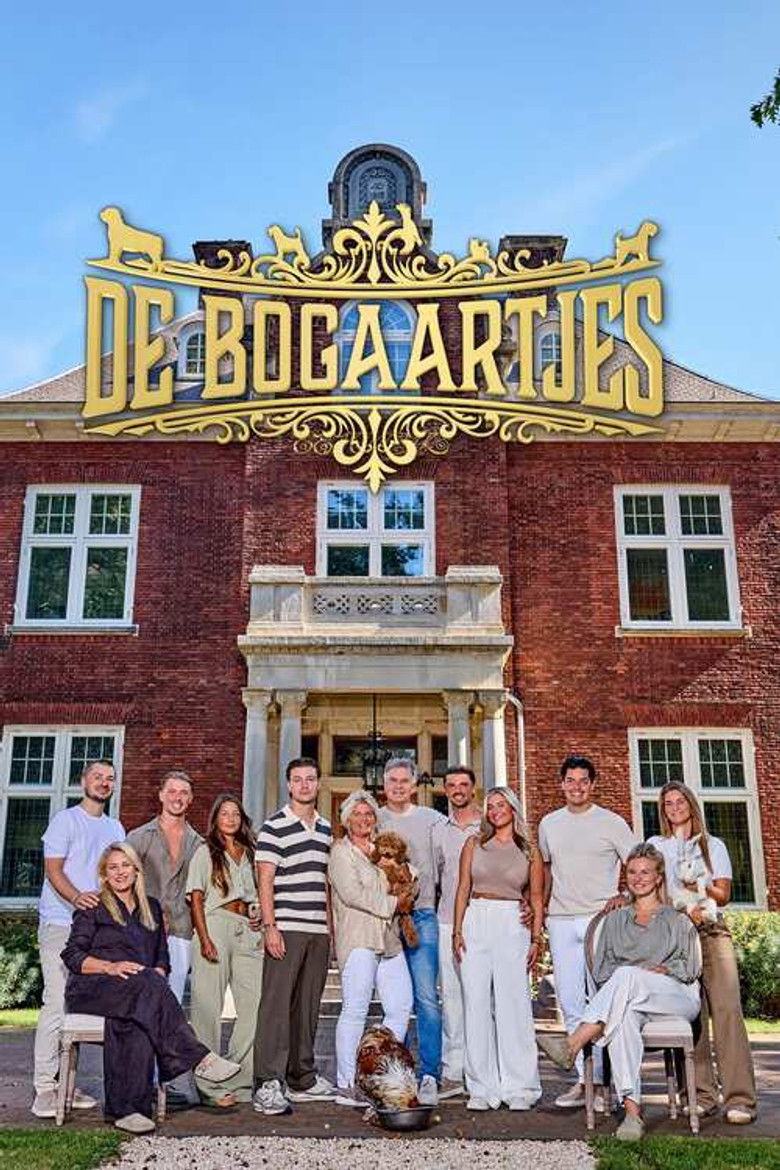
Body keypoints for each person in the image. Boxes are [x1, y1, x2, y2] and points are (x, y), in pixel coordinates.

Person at [61, 842, 242, 1134]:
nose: (120, 872)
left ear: (137, 870)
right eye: (113, 867)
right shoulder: (93, 906)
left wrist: (157, 975)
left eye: (126, 865)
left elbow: (161, 958)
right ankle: (198, 1058)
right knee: (144, 990)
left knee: (137, 1015)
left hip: (137, 991)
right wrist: (110, 967)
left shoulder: (153, 908)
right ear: (104, 875)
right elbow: (72, 955)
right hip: (93, 987)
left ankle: (129, 1111)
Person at [538, 842, 701, 1142]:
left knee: (627, 975)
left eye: (646, 872)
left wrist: (660, 971)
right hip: (631, 998)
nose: (638, 878)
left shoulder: (676, 918)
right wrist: (637, 975)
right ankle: (632, 1115)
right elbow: (602, 971)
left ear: (658, 878)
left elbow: (690, 966)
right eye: (632, 872)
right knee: (624, 1016)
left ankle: (574, 1043)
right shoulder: (615, 920)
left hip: (675, 996)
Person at [648, 781, 757, 1124]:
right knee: (690, 1015)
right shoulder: (656, 846)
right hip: (677, 936)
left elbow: (723, 894)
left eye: (680, 801)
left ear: (691, 804)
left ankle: (740, 1099)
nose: (675, 807)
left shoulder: (713, 845)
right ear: (663, 810)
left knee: (727, 1010)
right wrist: (680, 907)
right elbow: (652, 890)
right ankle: (700, 1095)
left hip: (712, 931)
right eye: (668, 803)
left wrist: (699, 885)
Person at [538, 754, 637, 1110]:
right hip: (561, 920)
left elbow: (639, 865)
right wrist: (540, 910)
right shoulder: (549, 824)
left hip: (600, 920)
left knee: (605, 1004)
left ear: (592, 785)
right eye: (570, 780)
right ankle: (586, 1082)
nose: (576, 787)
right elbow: (545, 871)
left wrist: (625, 895)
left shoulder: (612, 823)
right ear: (562, 784)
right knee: (570, 1002)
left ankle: (613, 1086)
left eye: (583, 781)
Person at [32, 759, 125, 1119]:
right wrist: (76, 898)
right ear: (83, 781)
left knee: (81, 1007)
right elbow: (53, 869)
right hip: (60, 923)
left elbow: (117, 875)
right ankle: (44, 1087)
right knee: (56, 1001)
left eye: (109, 779)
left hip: (96, 931)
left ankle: (68, 1085)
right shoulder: (65, 820)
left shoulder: (114, 827)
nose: (103, 783)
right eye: (97, 777)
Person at [253, 757, 337, 1115]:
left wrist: (331, 930)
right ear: (289, 785)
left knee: (307, 1007)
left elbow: (326, 883)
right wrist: (270, 926)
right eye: (298, 779)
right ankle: (268, 1082)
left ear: (318, 784)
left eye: (310, 779)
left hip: (318, 931)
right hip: (286, 927)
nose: (304, 785)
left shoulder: (326, 829)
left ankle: (302, 1077)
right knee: (276, 1007)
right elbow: (265, 880)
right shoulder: (274, 827)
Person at [452, 786, 543, 1111]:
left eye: (501, 805)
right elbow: (463, 888)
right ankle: (481, 1087)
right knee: (475, 1003)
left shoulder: (529, 850)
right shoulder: (473, 844)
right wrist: (457, 931)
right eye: (490, 806)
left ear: (513, 808)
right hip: (476, 918)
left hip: (512, 922)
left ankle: (520, 1086)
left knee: (513, 1004)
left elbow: (536, 897)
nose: (495, 811)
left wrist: (536, 938)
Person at [328, 790, 415, 1106]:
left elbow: (410, 876)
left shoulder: (383, 849)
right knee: (355, 1009)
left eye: (369, 814)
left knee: (401, 1006)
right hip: (359, 937)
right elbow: (352, 894)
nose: (364, 819)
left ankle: (380, 1072)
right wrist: (394, 903)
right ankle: (347, 1082)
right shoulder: (341, 852)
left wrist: (405, 885)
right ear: (346, 820)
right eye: (357, 814)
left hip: (389, 938)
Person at [377, 757, 448, 1104]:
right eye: (392, 780)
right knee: (395, 1001)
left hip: (422, 915)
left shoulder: (433, 820)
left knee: (426, 997)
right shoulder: (374, 819)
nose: (398, 786)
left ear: (414, 785)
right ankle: (398, 1072)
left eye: (404, 780)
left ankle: (430, 1073)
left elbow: (449, 864)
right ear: (384, 784)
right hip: (386, 918)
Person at [187, 793, 263, 1108]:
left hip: (247, 930)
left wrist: (258, 912)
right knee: (207, 1007)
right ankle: (208, 1086)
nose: (230, 819)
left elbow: (258, 893)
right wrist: (205, 938)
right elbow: (195, 898)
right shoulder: (205, 851)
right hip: (215, 925)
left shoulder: (251, 852)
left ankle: (239, 1080)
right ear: (216, 818)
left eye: (236, 814)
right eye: (225, 813)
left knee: (254, 1006)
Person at [126, 770, 203, 1002]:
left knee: (172, 1000)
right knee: (140, 998)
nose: (177, 797)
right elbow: (122, 884)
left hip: (181, 931)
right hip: (143, 928)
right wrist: (148, 913)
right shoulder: (138, 837)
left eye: (183, 793)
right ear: (161, 795)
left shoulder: (199, 845)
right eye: (171, 791)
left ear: (191, 798)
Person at [430, 766, 482, 1097]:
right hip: (448, 919)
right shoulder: (439, 831)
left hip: (483, 920)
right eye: (451, 785)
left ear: (473, 789)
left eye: (464, 784)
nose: (458, 790)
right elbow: (436, 877)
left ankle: (482, 1070)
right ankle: (454, 1071)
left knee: (482, 997)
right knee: (451, 997)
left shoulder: (488, 826)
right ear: (445, 791)